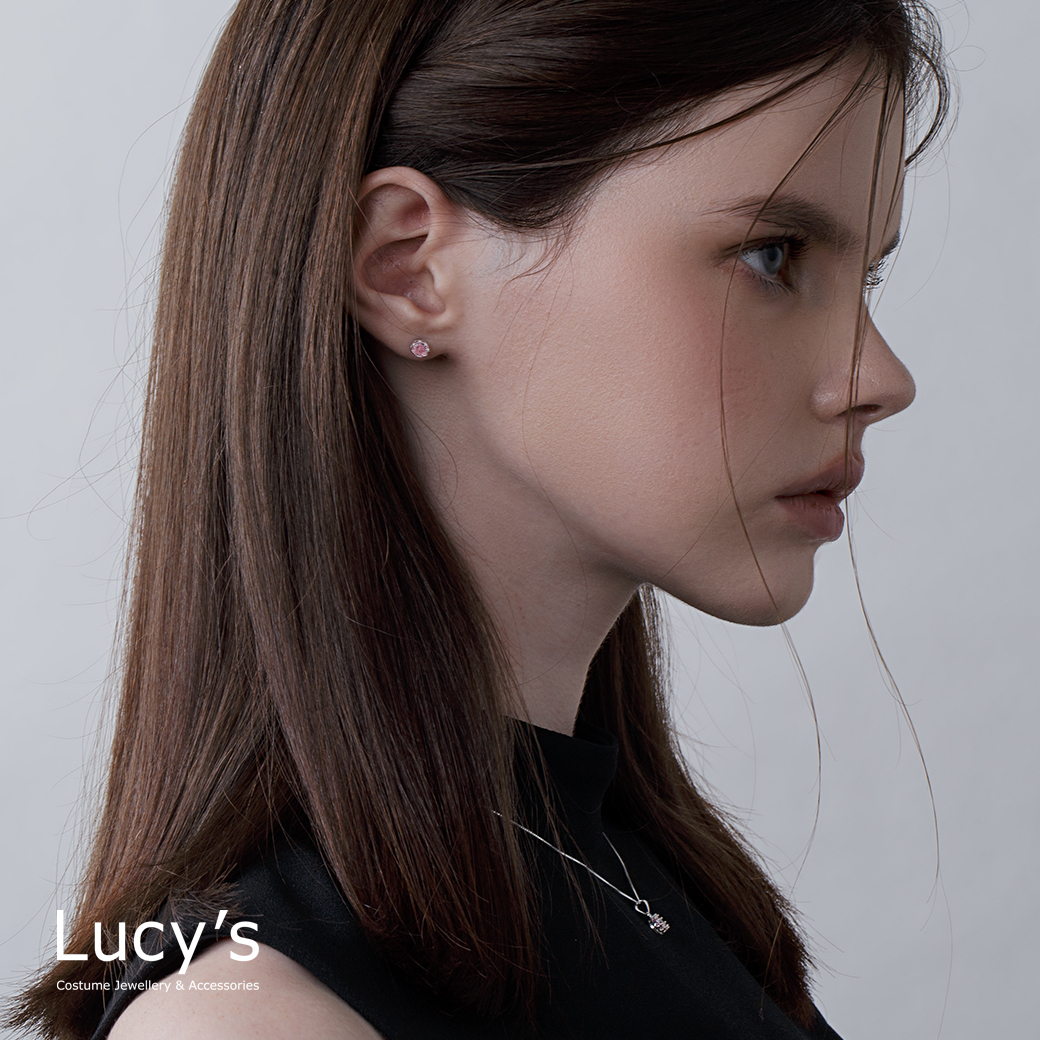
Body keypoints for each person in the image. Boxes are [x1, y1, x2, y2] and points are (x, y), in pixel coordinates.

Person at [9, 1, 950, 1037]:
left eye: (864, 276)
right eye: (773, 255)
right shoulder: (254, 1017)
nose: (880, 377)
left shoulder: (642, 882)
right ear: (407, 269)